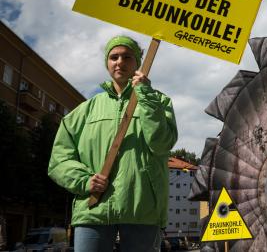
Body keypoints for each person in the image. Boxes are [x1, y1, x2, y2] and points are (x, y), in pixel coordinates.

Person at [48, 35, 177, 252]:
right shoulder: (84, 111)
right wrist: (84, 181)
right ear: (107, 63)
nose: (120, 62)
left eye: (127, 57)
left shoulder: (158, 101)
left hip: (142, 210)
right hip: (93, 211)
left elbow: (162, 144)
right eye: (114, 57)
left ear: (137, 63)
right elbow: (58, 161)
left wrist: (145, 95)